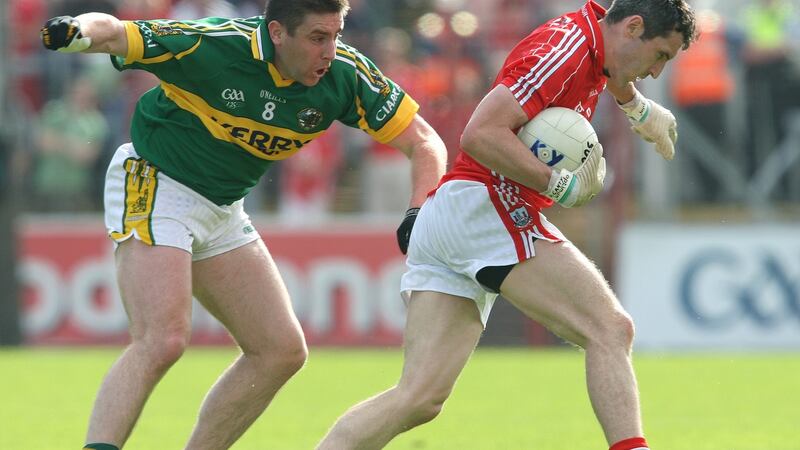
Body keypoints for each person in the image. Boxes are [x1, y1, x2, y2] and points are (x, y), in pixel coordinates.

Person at [39, 0, 447, 448]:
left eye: (336, 35)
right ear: (277, 33)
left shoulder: (345, 74)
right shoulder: (213, 45)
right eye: (317, 38)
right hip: (156, 180)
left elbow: (425, 142)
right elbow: (117, 32)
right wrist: (78, 28)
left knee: (280, 352)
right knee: (163, 339)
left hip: (223, 206)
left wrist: (418, 210)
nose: (330, 51)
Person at [317, 1, 697, 450]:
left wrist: (637, 108)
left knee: (419, 398)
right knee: (610, 329)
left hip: (454, 213)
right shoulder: (567, 48)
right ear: (633, 26)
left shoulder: (595, 39)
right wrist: (558, 185)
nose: (656, 72)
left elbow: (612, 64)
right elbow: (480, 133)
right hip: (486, 204)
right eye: (660, 57)